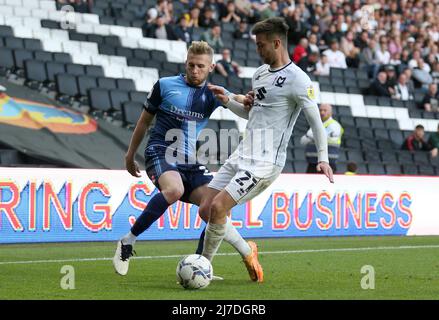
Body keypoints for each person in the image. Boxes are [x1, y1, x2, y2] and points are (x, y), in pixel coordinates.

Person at [202, 17, 333, 283]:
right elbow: (253, 115)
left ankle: (203, 267)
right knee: (206, 209)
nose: (258, 51)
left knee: (218, 207)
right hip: (242, 153)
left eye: (262, 46)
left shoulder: (298, 79)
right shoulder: (260, 74)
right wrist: (227, 101)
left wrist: (323, 158)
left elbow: (316, 122)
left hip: (264, 163)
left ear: (277, 43)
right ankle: (247, 249)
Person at [113, 41, 256, 280]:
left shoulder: (212, 93)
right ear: (185, 63)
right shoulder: (164, 85)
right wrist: (130, 154)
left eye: (200, 66)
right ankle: (127, 241)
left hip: (189, 159)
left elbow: (237, 99)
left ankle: (201, 265)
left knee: (215, 208)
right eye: (191, 65)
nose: (195, 70)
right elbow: (143, 122)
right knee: (174, 190)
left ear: (211, 67)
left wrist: (247, 100)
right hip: (160, 151)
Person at [300, 104, 343, 173]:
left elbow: (321, 136)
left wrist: (311, 135)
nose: (322, 112)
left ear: (331, 112)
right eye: (320, 110)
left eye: (325, 110)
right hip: (312, 163)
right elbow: (302, 141)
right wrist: (314, 135)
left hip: (328, 164)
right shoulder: (315, 124)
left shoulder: (335, 125)